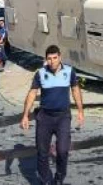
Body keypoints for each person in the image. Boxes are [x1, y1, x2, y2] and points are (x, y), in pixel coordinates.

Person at [20, 45, 85, 185]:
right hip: (45, 117)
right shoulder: (40, 73)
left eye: (55, 58)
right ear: (46, 59)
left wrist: (80, 111)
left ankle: (59, 178)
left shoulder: (69, 71)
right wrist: (25, 115)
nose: (52, 61)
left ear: (60, 57)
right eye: (49, 59)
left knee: (62, 151)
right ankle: (47, 181)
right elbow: (32, 93)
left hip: (63, 117)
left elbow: (75, 90)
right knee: (42, 153)